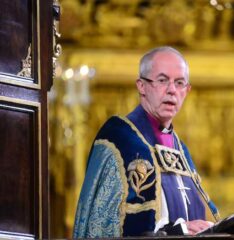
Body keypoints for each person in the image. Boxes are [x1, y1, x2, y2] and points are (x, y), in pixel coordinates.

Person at [73, 46, 219, 238]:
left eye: (180, 83)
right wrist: (179, 231)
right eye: (162, 80)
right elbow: (104, 225)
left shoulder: (180, 149)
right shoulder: (118, 138)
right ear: (142, 86)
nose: (172, 90)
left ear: (187, 90)